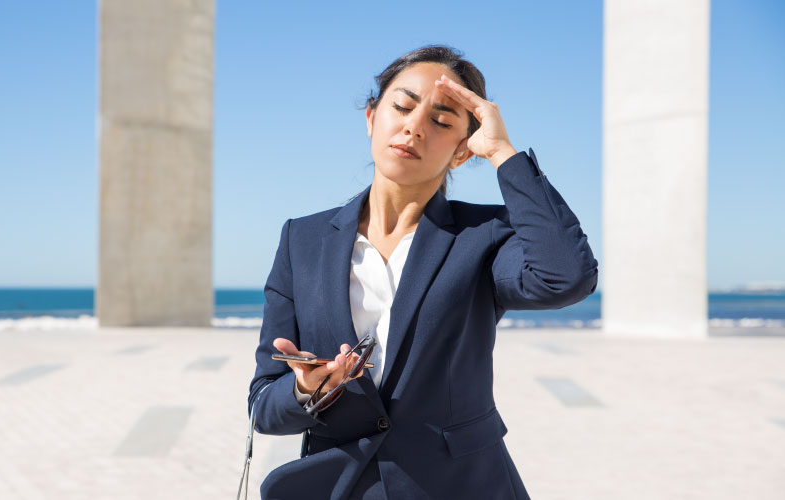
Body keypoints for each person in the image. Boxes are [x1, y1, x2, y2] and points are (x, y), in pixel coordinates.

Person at [247, 44, 599, 500]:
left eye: (442, 120)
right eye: (402, 106)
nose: (414, 126)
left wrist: (501, 152)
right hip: (342, 489)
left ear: (460, 153)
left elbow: (567, 276)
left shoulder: (486, 235)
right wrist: (304, 389)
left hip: (464, 486)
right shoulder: (302, 239)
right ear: (372, 118)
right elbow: (262, 404)